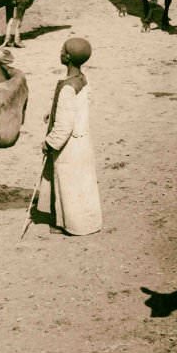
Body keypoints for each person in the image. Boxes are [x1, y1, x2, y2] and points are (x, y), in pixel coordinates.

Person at [36, 37, 102, 236]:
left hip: (70, 146)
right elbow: (78, 105)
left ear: (68, 57)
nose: (60, 52)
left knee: (68, 184)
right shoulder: (82, 79)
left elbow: (64, 127)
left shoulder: (66, 88)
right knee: (83, 184)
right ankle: (88, 222)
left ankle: (71, 225)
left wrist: (49, 143)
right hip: (83, 140)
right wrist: (53, 110)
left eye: (63, 50)